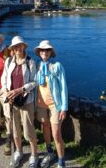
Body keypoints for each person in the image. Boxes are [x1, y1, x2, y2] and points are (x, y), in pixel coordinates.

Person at [1, 36, 39, 168]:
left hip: (26, 101)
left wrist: (21, 89)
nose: (18, 48)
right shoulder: (9, 61)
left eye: (20, 46)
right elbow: (4, 79)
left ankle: (34, 155)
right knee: (15, 130)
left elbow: (35, 81)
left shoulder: (30, 62)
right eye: (15, 46)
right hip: (12, 101)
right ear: (13, 48)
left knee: (29, 130)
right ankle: (18, 151)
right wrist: (6, 92)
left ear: (24, 47)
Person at [35, 40, 68, 168]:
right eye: (42, 50)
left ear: (51, 52)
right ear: (39, 52)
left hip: (55, 105)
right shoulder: (37, 66)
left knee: (56, 133)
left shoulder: (57, 66)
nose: (45, 52)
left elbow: (64, 88)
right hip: (41, 104)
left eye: (47, 50)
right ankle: (49, 151)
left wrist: (64, 108)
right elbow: (34, 84)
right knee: (45, 127)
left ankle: (61, 161)